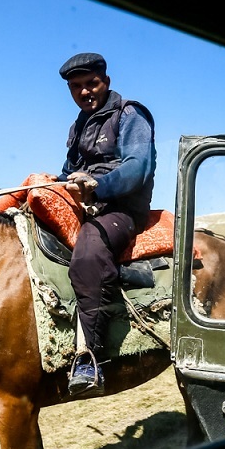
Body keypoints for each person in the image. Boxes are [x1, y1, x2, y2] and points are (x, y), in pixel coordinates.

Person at [43, 52, 157, 395]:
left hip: (121, 210)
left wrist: (98, 187)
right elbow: (68, 171)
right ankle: (116, 275)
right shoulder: (78, 126)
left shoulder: (131, 115)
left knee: (89, 251)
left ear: (105, 81)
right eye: (76, 87)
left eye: (91, 83)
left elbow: (139, 167)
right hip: (87, 206)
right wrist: (55, 183)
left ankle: (87, 357)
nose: (85, 92)